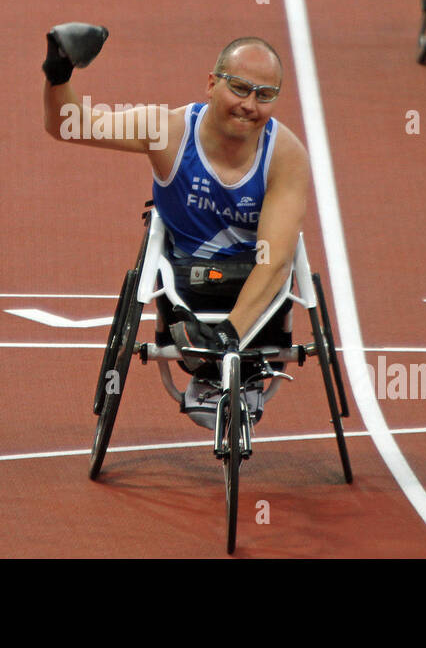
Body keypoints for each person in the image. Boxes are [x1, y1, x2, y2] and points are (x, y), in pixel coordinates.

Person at [42, 23, 311, 427]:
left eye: (265, 95)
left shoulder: (285, 155)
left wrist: (229, 335)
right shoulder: (168, 131)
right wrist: (59, 71)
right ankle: (208, 371)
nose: (249, 105)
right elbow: (69, 124)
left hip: (254, 293)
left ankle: (238, 369)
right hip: (186, 285)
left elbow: (273, 262)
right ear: (211, 84)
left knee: (277, 263)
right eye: (239, 88)